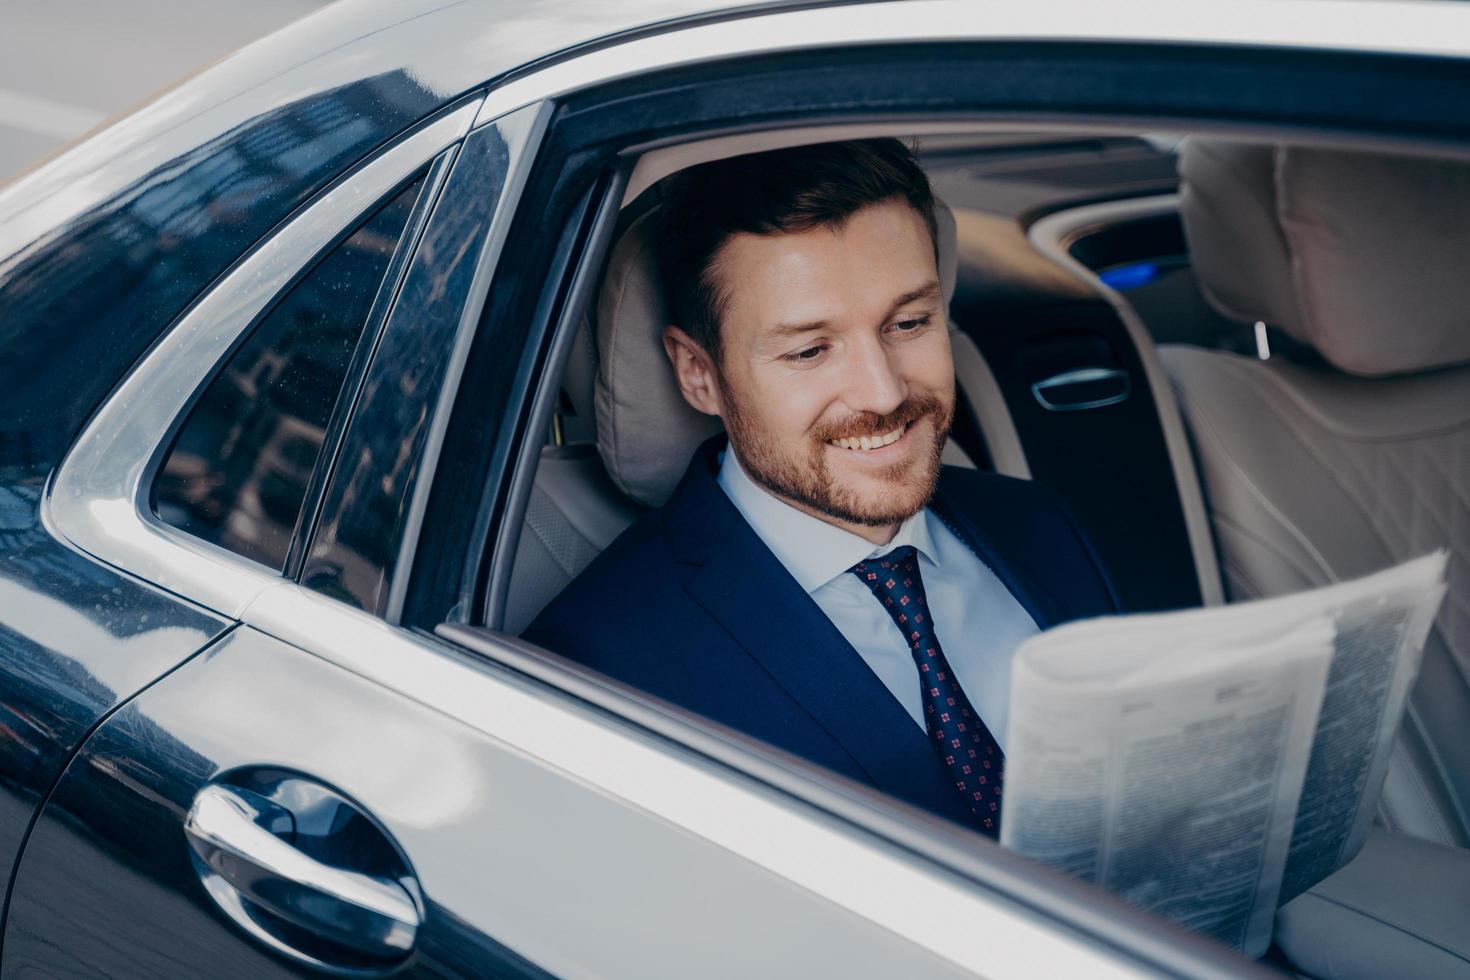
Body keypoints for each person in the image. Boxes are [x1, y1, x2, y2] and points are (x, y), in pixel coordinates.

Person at [525, 140, 1119, 837]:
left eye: (909, 323)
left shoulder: (1039, 525)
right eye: (809, 350)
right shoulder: (598, 670)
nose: (883, 392)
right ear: (698, 375)